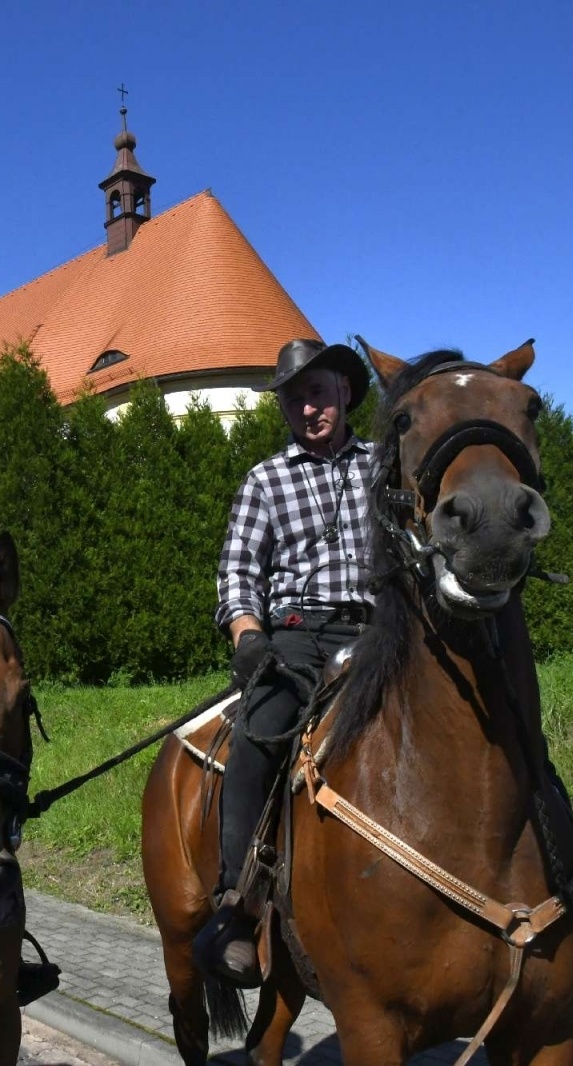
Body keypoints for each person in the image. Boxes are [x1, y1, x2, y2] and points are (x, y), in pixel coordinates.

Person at [194, 339, 380, 988]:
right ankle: (236, 904)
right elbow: (238, 574)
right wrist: (248, 637)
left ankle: (562, 893)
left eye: (319, 393)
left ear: (345, 393)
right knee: (258, 734)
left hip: (382, 630)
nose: (309, 407)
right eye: (295, 398)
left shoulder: (384, 468)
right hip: (297, 636)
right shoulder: (265, 481)